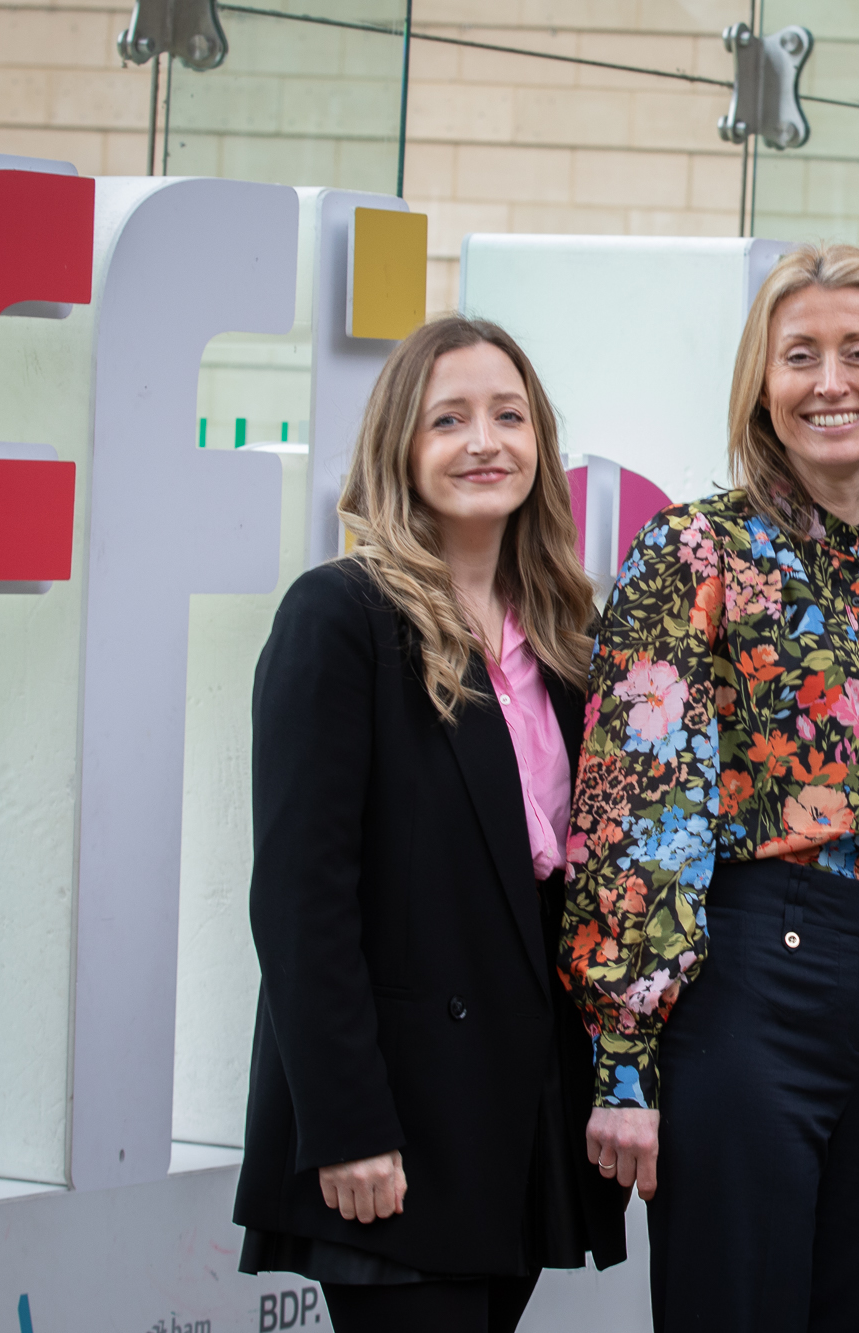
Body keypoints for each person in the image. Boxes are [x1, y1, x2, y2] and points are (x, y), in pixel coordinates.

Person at [561, 243, 859, 1332]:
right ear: (760, 385)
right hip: (750, 979)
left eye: (858, 352)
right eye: (800, 354)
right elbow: (632, 811)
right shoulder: (692, 555)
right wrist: (623, 1061)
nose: (831, 382)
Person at [234, 316, 626, 1332]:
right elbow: (297, 896)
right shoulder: (339, 615)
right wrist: (347, 1125)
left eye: (507, 415)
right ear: (399, 448)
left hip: (517, 1108)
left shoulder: (563, 637)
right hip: (394, 1125)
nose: (483, 441)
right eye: (447, 419)